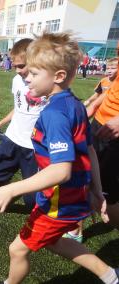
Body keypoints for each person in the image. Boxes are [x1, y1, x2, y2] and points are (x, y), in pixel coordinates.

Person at [0, 32, 118, 284]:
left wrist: (10, 189)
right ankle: (110, 275)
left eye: (34, 73)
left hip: (58, 201)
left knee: (17, 249)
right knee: (54, 242)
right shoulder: (75, 104)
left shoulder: (54, 114)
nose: (28, 79)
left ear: (58, 76)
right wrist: (98, 190)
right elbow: (88, 151)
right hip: (68, 196)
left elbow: (61, 171)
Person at [0, 38, 47, 209]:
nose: (17, 70)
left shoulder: (47, 86)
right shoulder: (17, 81)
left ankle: (17, 190)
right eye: (14, 65)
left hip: (34, 147)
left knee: (32, 202)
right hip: (12, 139)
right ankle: (8, 190)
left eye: (21, 66)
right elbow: (19, 108)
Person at [88, 42, 119, 230]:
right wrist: (95, 104)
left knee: (109, 189)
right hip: (100, 122)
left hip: (115, 129)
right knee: (85, 172)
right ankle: (76, 228)